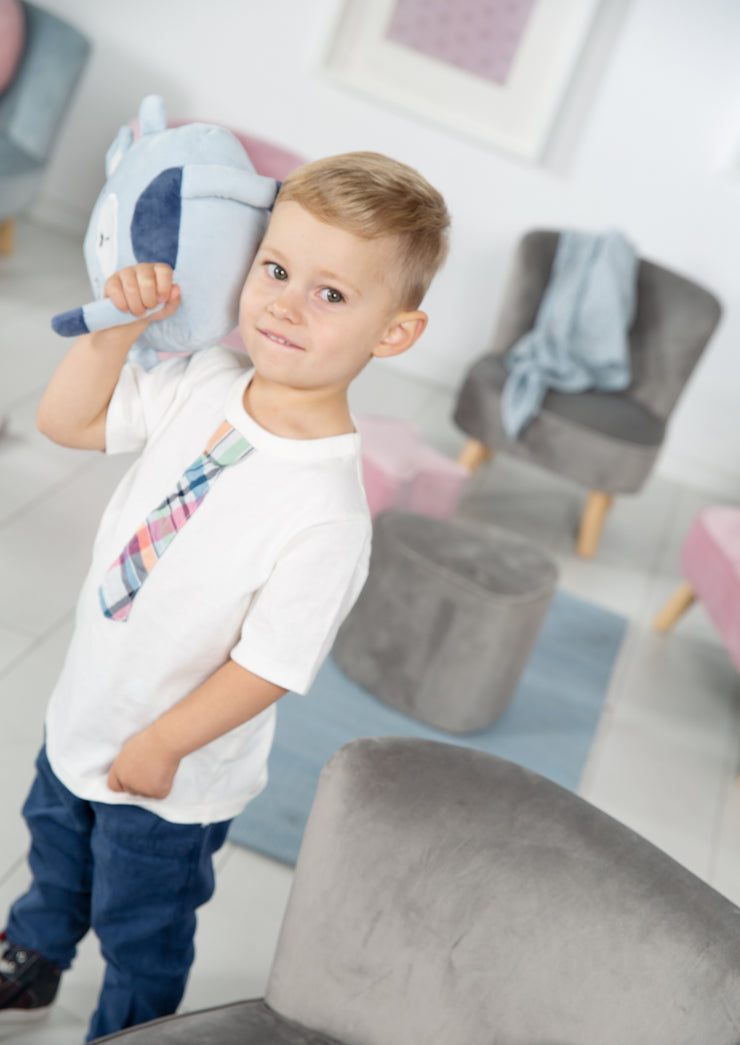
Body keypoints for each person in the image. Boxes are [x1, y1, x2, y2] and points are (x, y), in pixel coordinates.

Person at [0, 151, 450, 1040]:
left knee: (143, 925)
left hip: (171, 779)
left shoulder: (327, 511)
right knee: (55, 854)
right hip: (87, 707)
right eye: (276, 270)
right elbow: (68, 423)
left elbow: (271, 664)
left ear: (393, 333)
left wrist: (165, 741)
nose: (284, 302)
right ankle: (35, 953)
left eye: (332, 294)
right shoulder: (203, 379)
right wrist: (112, 333)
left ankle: (131, 1028)